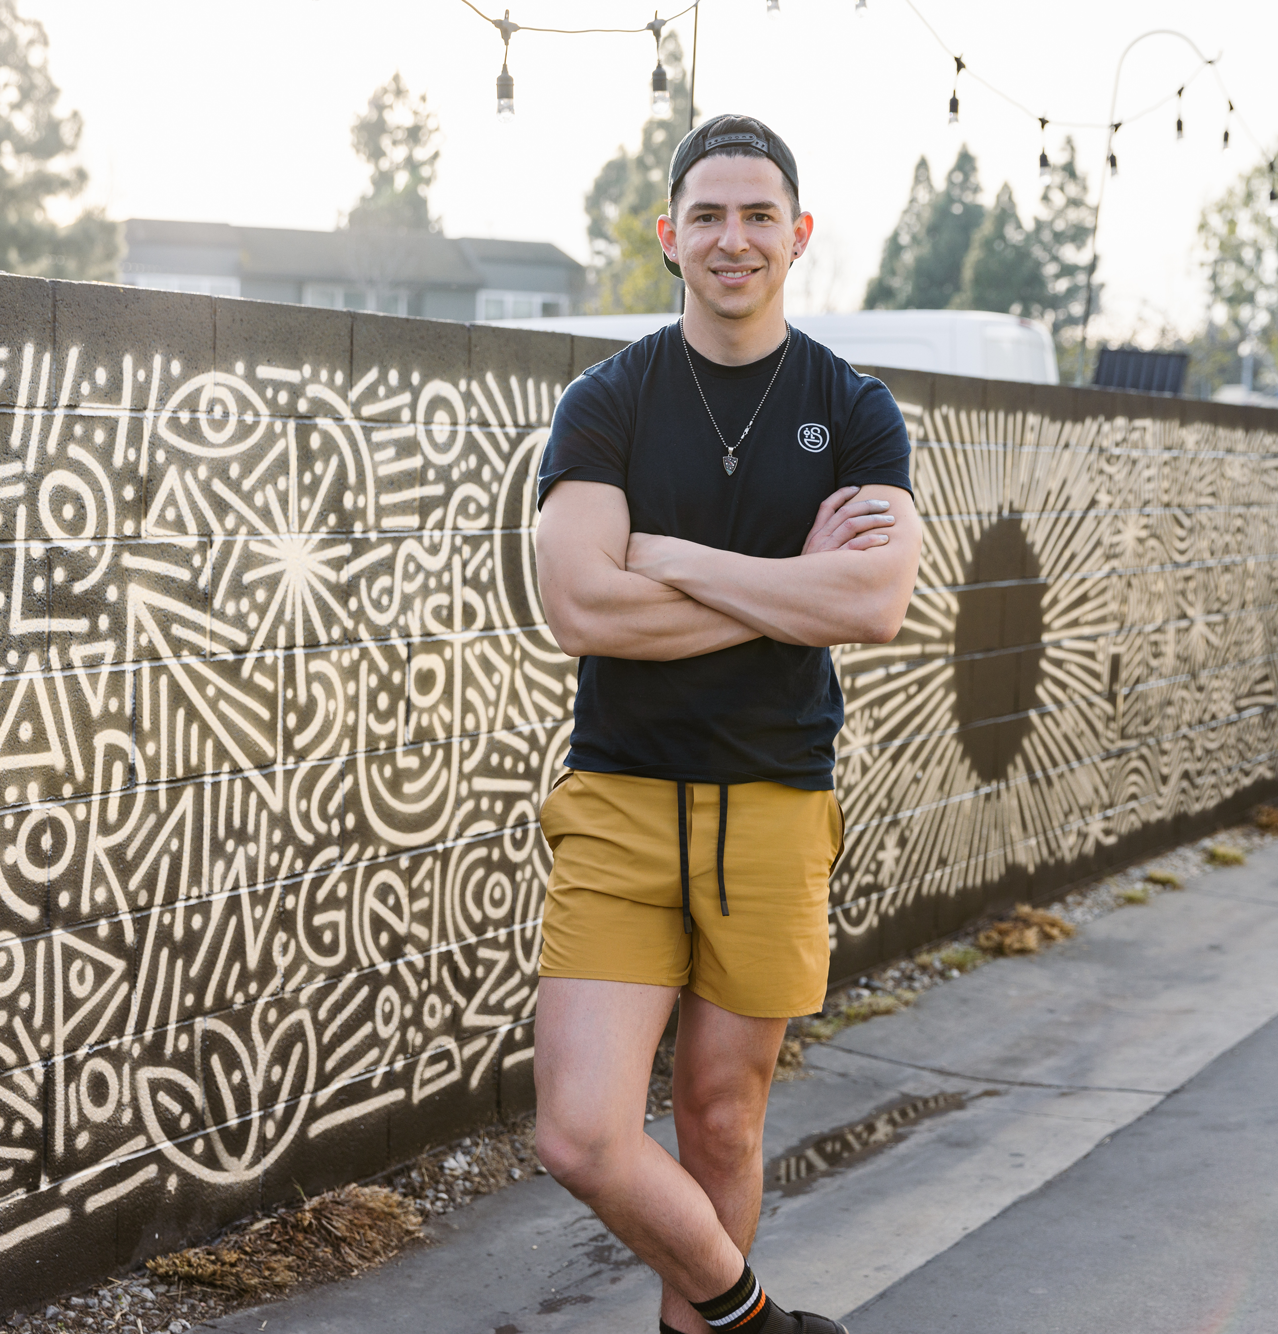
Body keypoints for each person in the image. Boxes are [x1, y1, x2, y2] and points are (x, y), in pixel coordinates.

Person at [530, 115, 921, 1334]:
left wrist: (683, 559)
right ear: (668, 237)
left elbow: (871, 598)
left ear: (798, 236)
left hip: (773, 802)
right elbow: (577, 603)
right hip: (621, 800)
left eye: (758, 215)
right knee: (582, 1130)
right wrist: (780, 588)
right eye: (707, 215)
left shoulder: (855, 413)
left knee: (717, 1117)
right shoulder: (608, 398)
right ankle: (752, 1322)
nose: (733, 238)